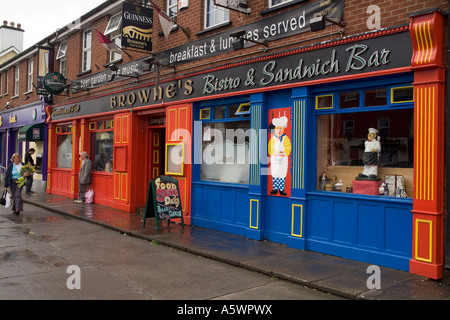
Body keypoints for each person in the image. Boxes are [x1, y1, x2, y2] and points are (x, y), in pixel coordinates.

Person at [268, 116, 291, 196]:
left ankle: (281, 190)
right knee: (275, 174)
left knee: (282, 174)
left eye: (281, 128)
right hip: (275, 159)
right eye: (277, 128)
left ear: (283, 129)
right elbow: (270, 148)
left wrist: (284, 153)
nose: (279, 130)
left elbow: (288, 147)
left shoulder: (285, 138)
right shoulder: (273, 139)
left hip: (283, 159)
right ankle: (275, 189)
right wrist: (274, 153)